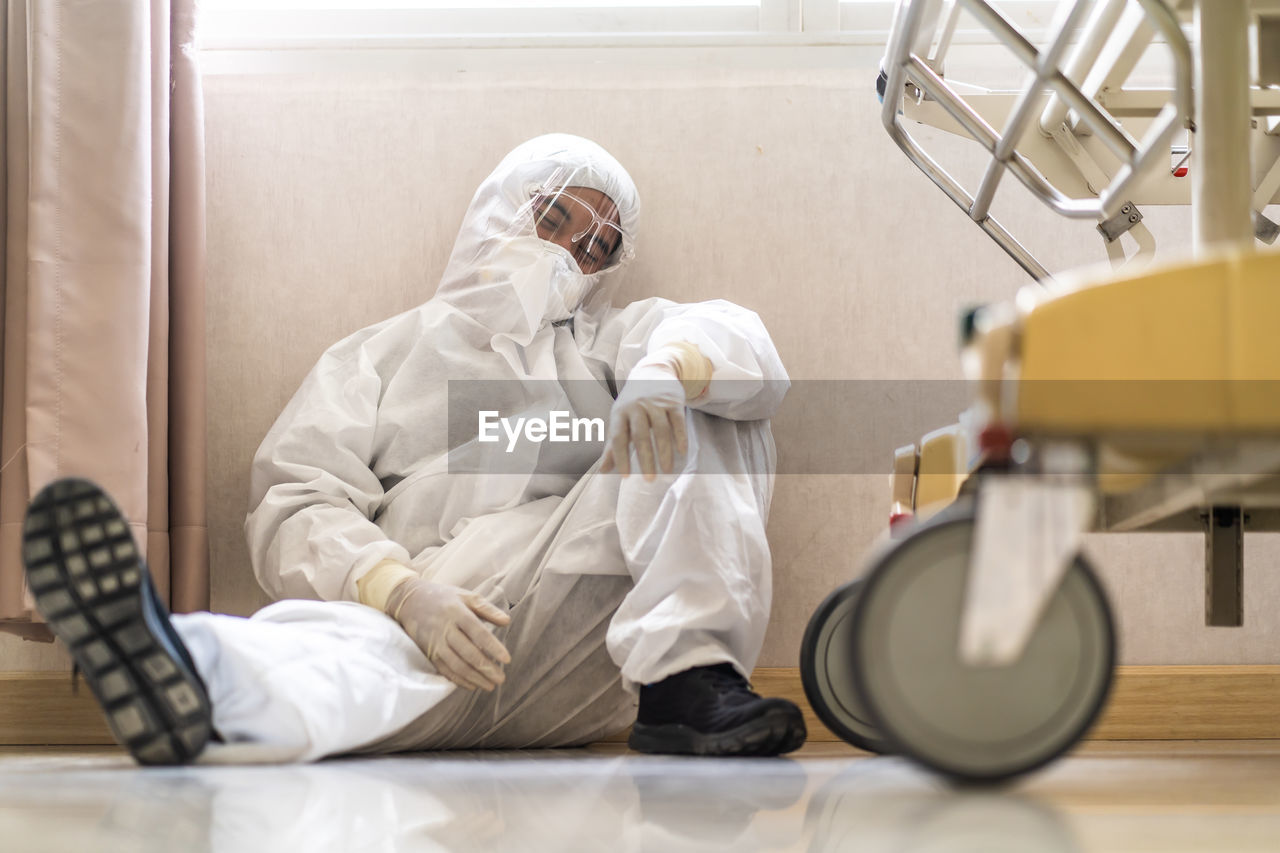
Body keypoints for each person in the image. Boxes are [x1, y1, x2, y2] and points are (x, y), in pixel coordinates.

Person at [21, 134, 804, 766]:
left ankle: (691, 677)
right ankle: (175, 666)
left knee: (713, 407)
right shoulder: (378, 356)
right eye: (555, 217)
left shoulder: (606, 343)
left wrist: (667, 372)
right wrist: (401, 593)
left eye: (599, 246)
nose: (574, 254)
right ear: (499, 206)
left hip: (588, 637)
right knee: (347, 663)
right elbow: (297, 498)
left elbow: (739, 342)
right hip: (429, 621)